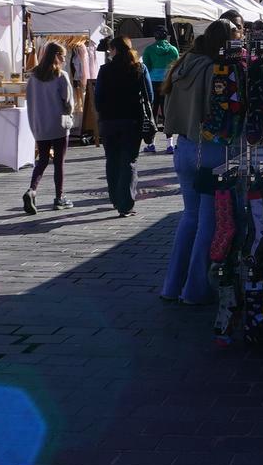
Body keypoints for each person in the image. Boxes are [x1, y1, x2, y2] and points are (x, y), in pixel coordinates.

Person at [160, 20, 233, 303]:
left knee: (189, 216)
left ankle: (171, 286)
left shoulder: (182, 65)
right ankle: (194, 288)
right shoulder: (214, 70)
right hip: (209, 149)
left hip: (184, 147)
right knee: (208, 222)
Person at [94, 36, 153, 217]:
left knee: (112, 160)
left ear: (114, 50)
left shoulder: (105, 70)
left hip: (109, 121)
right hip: (132, 120)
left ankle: (115, 198)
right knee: (129, 161)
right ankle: (125, 204)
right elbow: (149, 95)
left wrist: (103, 112)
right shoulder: (139, 68)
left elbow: (98, 98)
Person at [22, 42, 75, 213]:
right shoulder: (60, 76)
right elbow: (68, 102)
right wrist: (69, 112)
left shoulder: (33, 77)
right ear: (56, 55)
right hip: (59, 124)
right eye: (63, 56)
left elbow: (30, 99)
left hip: (40, 124)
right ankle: (59, 197)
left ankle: (32, 189)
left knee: (43, 159)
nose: (64, 59)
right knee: (59, 162)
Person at [141, 30, 181, 154]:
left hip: (153, 81)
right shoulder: (173, 49)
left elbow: (146, 67)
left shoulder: (149, 49)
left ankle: (151, 144)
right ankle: (170, 144)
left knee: (153, 111)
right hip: (167, 81)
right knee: (167, 111)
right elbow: (177, 66)